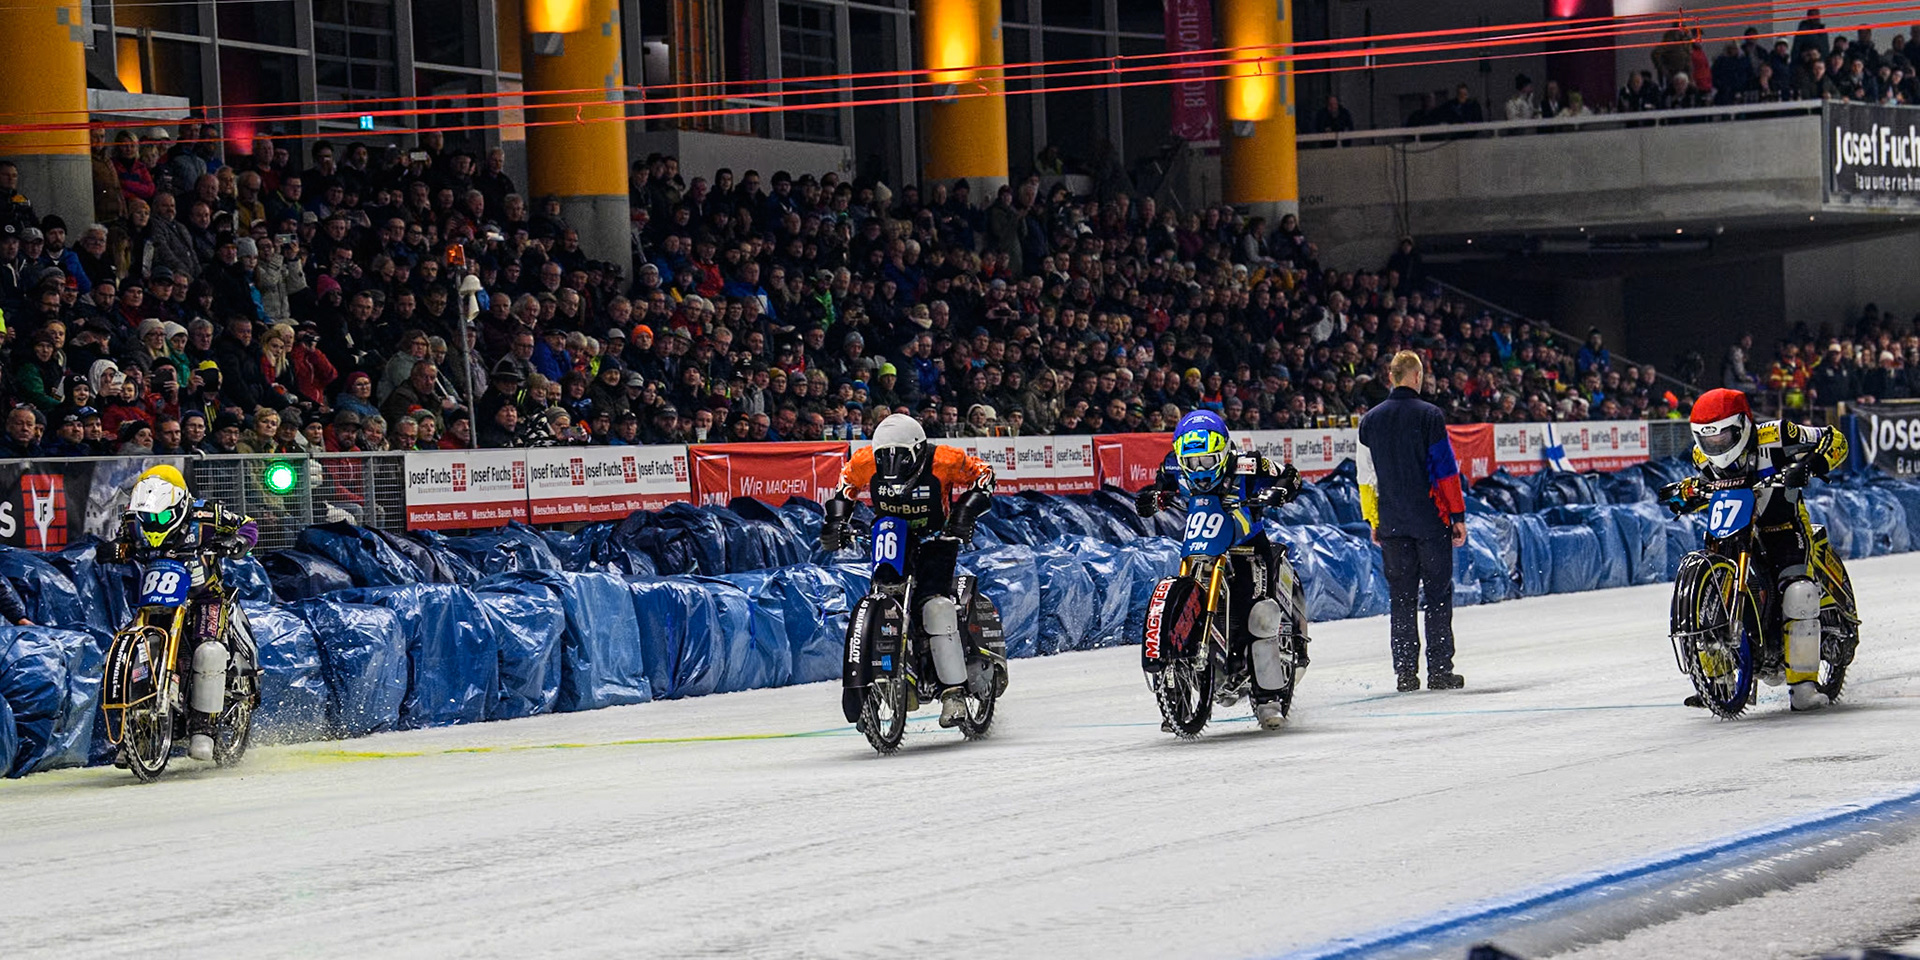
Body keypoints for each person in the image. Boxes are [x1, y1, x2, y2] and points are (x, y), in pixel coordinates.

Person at [1661, 388, 1850, 711]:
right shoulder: (1700, 457)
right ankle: (1718, 681)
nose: (1717, 445)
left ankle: (1803, 687)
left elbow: (1834, 439)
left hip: (1784, 527)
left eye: (1724, 437)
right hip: (1732, 533)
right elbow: (1701, 490)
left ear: (1743, 425)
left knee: (1799, 592)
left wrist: (1812, 464)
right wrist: (1685, 495)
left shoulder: (1779, 435)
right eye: (1710, 440)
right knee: (1713, 590)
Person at [818, 413, 995, 727]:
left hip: (939, 537)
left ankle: (953, 692)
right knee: (884, 592)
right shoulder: (863, 462)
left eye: (900, 458)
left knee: (935, 605)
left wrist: (965, 511)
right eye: (885, 459)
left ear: (918, 451)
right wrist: (836, 523)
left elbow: (984, 476)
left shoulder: (945, 459)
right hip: (892, 534)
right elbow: (844, 487)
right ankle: (889, 676)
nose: (892, 467)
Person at [1132, 410, 1305, 728]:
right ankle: (1177, 689)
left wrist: (1279, 491)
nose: (1200, 470)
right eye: (1193, 463)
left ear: (1224, 452)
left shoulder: (1248, 464)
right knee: (1183, 588)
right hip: (1202, 548)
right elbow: (1157, 489)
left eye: (1208, 461)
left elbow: (1290, 475)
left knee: (1259, 615)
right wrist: (1151, 499)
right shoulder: (1172, 465)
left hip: (1247, 547)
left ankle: (1269, 698)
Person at [104, 464, 258, 762]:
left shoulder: (206, 515)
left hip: (205, 598)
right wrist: (116, 550)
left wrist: (238, 541)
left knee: (209, 651)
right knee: (132, 644)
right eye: (148, 517)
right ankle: (135, 730)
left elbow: (248, 524)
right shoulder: (135, 521)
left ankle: (205, 729)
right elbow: (123, 543)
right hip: (156, 600)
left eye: (160, 517)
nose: (153, 522)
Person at [1357, 351, 1467, 692]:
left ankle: (1406, 673)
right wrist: (1457, 515)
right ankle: (1439, 671)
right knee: (1437, 595)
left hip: (1391, 522)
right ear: (1416, 377)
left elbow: (1365, 478)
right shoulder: (1430, 415)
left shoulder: (1369, 421)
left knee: (1401, 599)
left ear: (1392, 377)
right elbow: (1445, 469)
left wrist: (1372, 519)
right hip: (1430, 520)